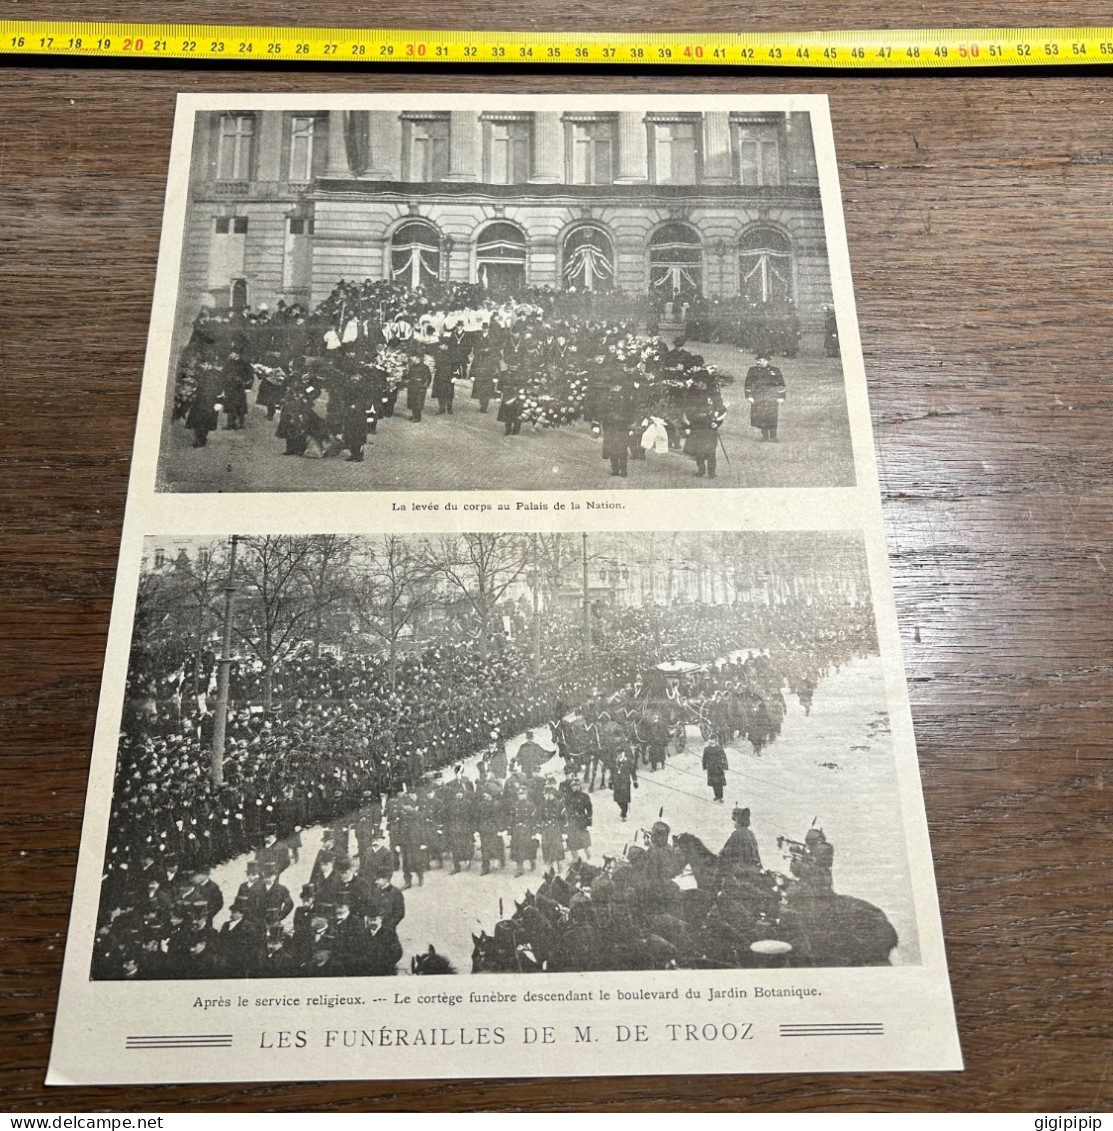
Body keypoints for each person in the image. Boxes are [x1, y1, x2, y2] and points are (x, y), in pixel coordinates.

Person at [744, 355, 786, 442]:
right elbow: (748, 383)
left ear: (766, 361)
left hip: (772, 396)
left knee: (772, 416)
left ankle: (774, 436)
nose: (758, 362)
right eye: (757, 360)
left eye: (760, 360)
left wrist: (781, 396)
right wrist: (749, 396)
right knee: (761, 415)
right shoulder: (753, 370)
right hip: (759, 396)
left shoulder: (775, 370)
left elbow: (781, 384)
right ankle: (765, 435)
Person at [719, 806, 762, 875]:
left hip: (739, 871)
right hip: (753, 870)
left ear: (739, 821)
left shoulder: (737, 834)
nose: (734, 823)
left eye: (735, 820)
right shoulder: (751, 834)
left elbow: (726, 852)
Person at [611, 750, 638, 821]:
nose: (619, 755)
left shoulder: (628, 762)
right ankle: (622, 809)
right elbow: (612, 772)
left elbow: (633, 772)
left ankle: (624, 814)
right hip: (616, 782)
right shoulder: (615, 762)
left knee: (625, 799)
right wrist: (610, 781)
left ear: (624, 753)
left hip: (625, 782)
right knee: (617, 799)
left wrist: (635, 781)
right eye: (618, 753)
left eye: (621, 753)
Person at [702, 735, 729, 803]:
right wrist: (704, 767)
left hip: (719, 768)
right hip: (711, 768)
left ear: (715, 740)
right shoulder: (706, 749)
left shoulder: (719, 748)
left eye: (712, 740)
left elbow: (724, 758)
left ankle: (721, 797)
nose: (711, 741)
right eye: (710, 740)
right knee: (714, 783)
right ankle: (716, 796)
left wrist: (725, 767)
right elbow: (704, 759)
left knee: (719, 783)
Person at [405, 355, 432, 422]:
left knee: (418, 402)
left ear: (417, 358)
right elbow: (409, 375)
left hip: (420, 386)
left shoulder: (425, 367)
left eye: (413, 357)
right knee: (412, 401)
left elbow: (428, 377)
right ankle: (414, 415)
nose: (411, 358)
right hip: (412, 385)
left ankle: (417, 417)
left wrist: (424, 386)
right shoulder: (412, 366)